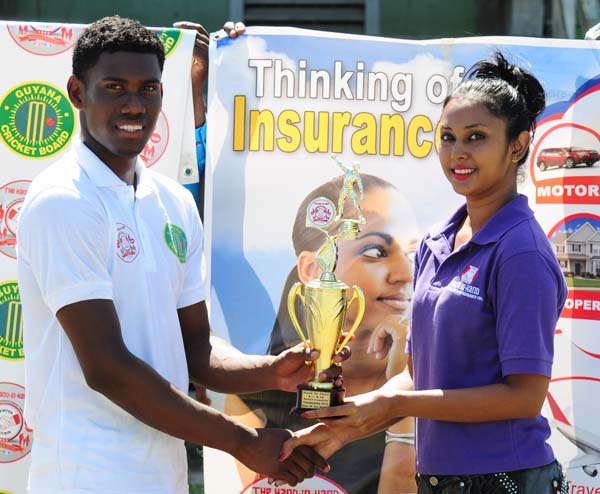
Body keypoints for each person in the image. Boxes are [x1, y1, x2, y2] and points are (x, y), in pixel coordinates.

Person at [17, 16, 340, 494]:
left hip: (161, 474)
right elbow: (107, 367)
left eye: (148, 89)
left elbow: (195, 347)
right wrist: (242, 441)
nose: (134, 105)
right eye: (114, 87)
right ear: (76, 92)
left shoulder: (172, 201)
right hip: (84, 474)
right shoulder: (64, 200)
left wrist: (271, 371)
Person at [280, 52, 570, 494]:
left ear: (518, 145)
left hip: (508, 479)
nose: (458, 153)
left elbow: (524, 396)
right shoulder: (436, 241)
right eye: (448, 137)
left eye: (476, 137)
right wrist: (348, 426)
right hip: (438, 480)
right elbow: (421, 376)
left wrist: (393, 400)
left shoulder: (521, 253)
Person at [225, 173, 419, 493]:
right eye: (376, 252)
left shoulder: (433, 385)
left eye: (411, 253)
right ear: (315, 270)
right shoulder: (253, 403)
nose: (404, 273)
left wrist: (404, 386)